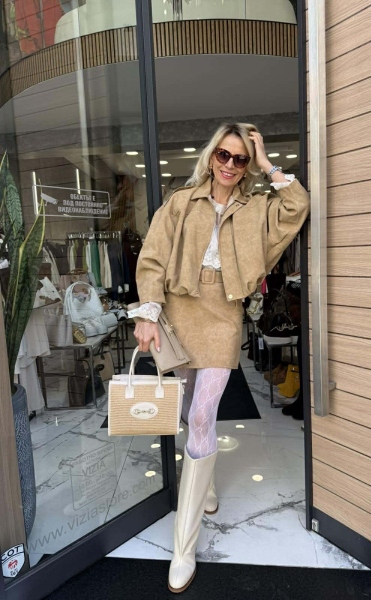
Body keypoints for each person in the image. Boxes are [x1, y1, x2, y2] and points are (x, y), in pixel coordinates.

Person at [132, 122, 310, 593]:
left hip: (223, 316)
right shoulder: (180, 201)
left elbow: (297, 206)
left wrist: (268, 163)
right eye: (224, 155)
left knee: (203, 413)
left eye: (240, 159)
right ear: (211, 156)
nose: (230, 165)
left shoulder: (257, 208)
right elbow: (153, 256)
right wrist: (148, 312)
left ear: (247, 166)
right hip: (178, 311)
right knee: (188, 411)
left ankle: (183, 547)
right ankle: (204, 484)